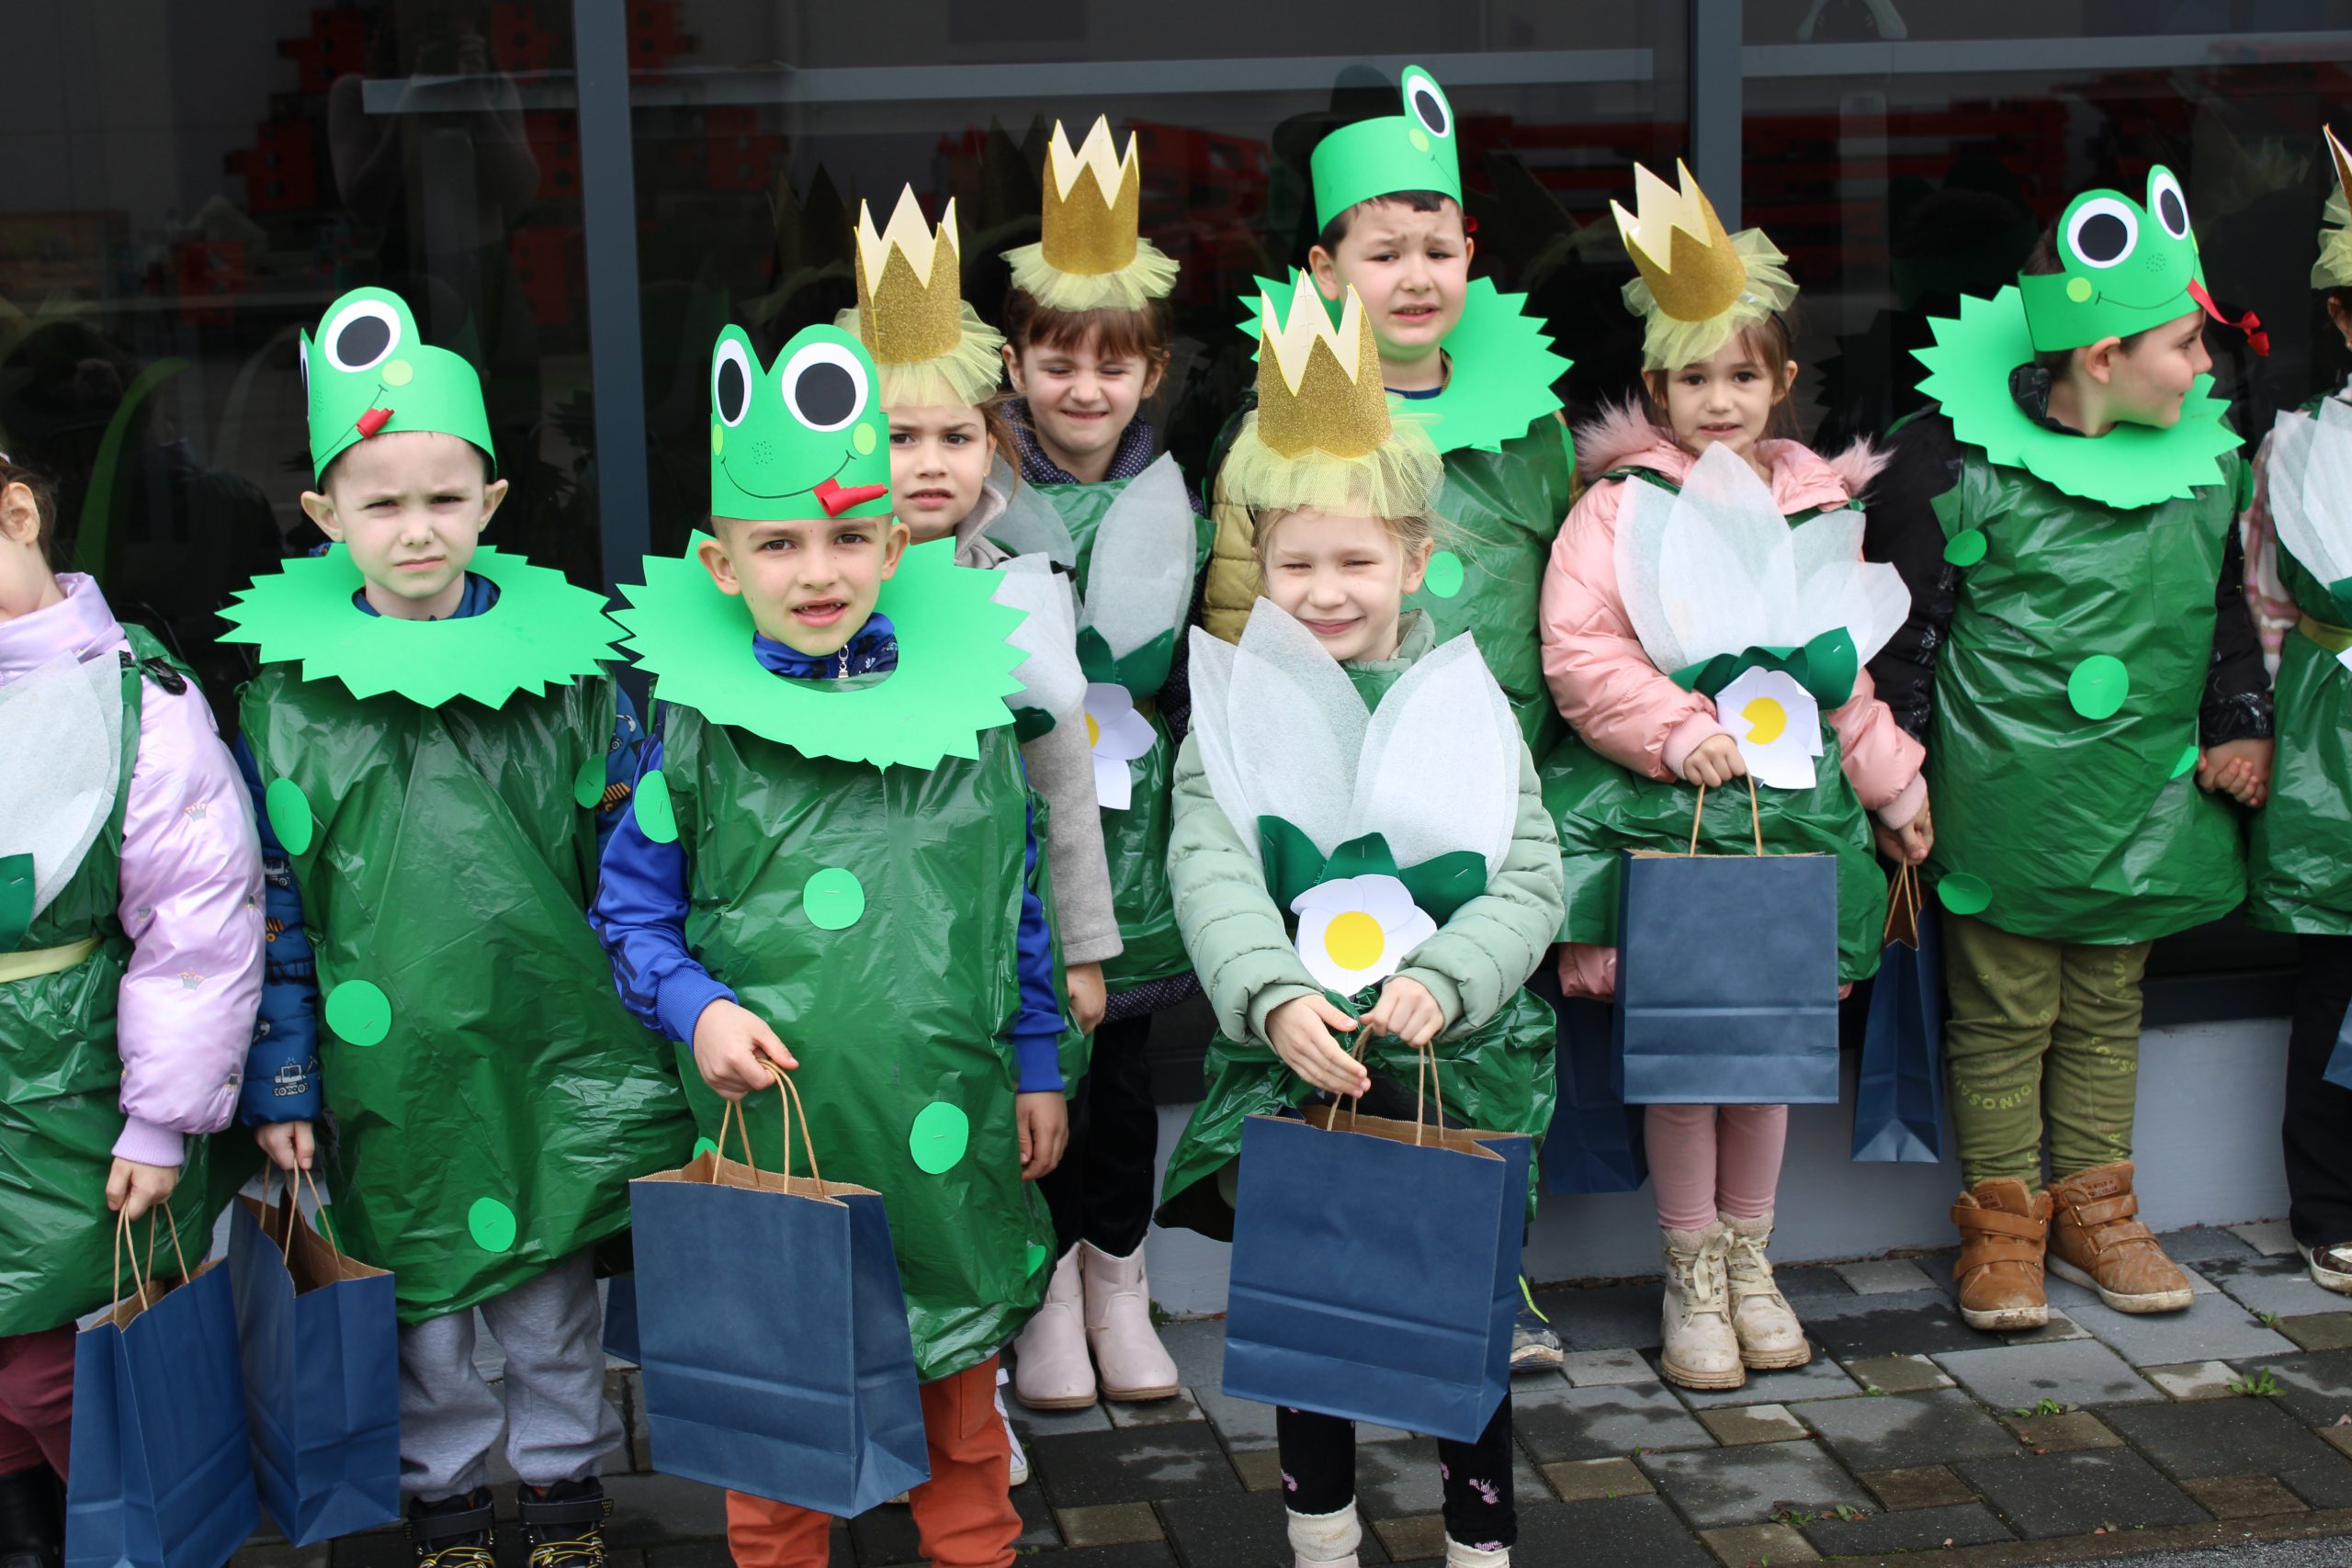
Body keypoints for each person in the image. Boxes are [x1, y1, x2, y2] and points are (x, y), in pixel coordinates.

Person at [229, 287, 691, 1566]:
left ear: (491, 502)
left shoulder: (572, 680)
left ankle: (561, 1490)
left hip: (551, 1052)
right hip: (388, 1069)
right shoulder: (284, 703)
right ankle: (441, 1499)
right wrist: (283, 1075)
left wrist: (661, 1017)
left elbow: (636, 860)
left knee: (550, 1296)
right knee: (419, 1300)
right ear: (324, 515)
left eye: (445, 498)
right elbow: (270, 907)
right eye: (382, 504)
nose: (418, 527)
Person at [591, 321, 1067, 1568]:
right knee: (776, 1404)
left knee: (960, 1403)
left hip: (946, 1119)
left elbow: (1013, 901)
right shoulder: (695, 730)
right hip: (771, 1129)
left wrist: (1036, 1060)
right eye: (779, 542)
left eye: (849, 537)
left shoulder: (968, 710)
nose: (818, 571)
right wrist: (696, 1007)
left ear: (894, 546)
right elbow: (632, 914)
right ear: (720, 562)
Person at [1159, 276, 1562, 1568]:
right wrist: (1271, 992)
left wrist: (1451, 974)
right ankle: (1321, 1535)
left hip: (1453, 1069)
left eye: (1355, 562)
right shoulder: (1234, 710)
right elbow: (1211, 866)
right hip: (1301, 1068)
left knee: (1461, 1313)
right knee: (1311, 1316)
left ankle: (1478, 1538)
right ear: (1259, 565)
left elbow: (1530, 873)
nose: (1325, 591)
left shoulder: (1465, 700)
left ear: (1415, 560)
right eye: (1296, 564)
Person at [1193, 66, 1576, 1367]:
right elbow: (1240, 615)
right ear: (1322, 266)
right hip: (1314, 784)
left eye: (1437, 248)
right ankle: (1352, 1286)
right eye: (1382, 251)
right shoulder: (1273, 441)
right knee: (1344, 1065)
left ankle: (1489, 1279)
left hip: (1476, 786)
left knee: (1482, 1057)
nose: (1414, 275)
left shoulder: (1530, 425)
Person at [1538, 161, 1927, 1390]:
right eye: (1694, 378)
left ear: (1783, 381)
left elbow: (1841, 674)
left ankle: (1753, 1259)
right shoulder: (1618, 509)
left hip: (1793, 825)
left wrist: (1893, 784)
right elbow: (1580, 649)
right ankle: (1690, 1268)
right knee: (1688, 1055)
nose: (1719, 400)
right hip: (1679, 823)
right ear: (1656, 388)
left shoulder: (1814, 504)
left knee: (1764, 1057)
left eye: (1742, 377)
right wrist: (1670, 727)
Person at [1865, 166, 2273, 1331]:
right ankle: (2002, 1228)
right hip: (1999, 805)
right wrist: (1896, 780)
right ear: (2101, 356)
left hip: (2137, 798)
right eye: (2185, 346)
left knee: (2104, 1002)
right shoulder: (1951, 463)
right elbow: (1900, 639)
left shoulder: (2202, 461)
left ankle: (2098, 1210)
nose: (2205, 369)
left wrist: (2237, 722)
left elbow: (2220, 613)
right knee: (2002, 1012)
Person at [843, 181, 1125, 1475]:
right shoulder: (809, 590)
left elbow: (1063, 782)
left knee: (976, 1163)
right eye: (897, 437)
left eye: (956, 436)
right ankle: (868, 1386)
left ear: (993, 445)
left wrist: (1084, 946)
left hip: (977, 945)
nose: (928, 465)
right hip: (853, 953)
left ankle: (977, 1383)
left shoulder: (1021, 591)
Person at [0, 454, 264, 1568]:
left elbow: (198, 922)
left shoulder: (134, 699)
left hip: (74, 1092)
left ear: (18, 513)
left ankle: (138, 1537)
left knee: (57, 1367)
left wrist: (160, 1121)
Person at [992, 117, 1202, 1408]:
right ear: (1013, 364)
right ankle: (1046, 1294)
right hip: (1019, 838)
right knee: (1033, 1079)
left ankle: (1120, 1278)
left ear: (1151, 372)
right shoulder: (975, 495)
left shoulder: (1179, 500)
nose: (1083, 389)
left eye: (1111, 366)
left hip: (1133, 840)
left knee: (1120, 1083)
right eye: (1057, 362)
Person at [2244, 126, 2352, 1296]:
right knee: (2338, 976)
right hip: (2337, 737)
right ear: (2340, 316)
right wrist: (2266, 728)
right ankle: (2331, 1204)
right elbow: (2266, 604)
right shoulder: (2301, 444)